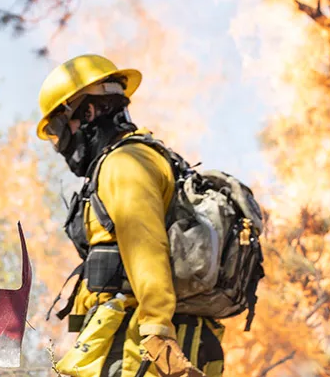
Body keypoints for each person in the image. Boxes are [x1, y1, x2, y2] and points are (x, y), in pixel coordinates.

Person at [36, 54, 223, 377]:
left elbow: (145, 246)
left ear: (88, 111)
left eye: (57, 127)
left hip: (141, 342)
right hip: (142, 334)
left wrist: (157, 331)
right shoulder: (138, 156)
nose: (60, 143)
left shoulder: (124, 165)